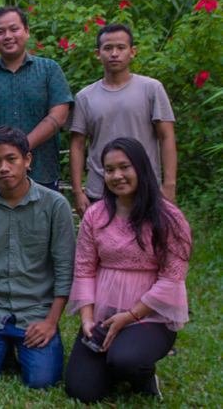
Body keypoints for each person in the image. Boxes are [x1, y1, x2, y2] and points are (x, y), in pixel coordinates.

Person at [65, 138, 191, 403]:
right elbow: (84, 269)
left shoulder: (169, 217)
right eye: (109, 170)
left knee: (127, 360)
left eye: (125, 167)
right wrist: (87, 320)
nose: (117, 176)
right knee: (82, 391)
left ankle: (143, 375)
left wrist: (130, 316)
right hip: (104, 315)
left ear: (141, 168)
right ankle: (112, 364)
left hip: (150, 317)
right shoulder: (95, 215)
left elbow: (172, 278)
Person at [0, 126, 75, 389]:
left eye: (12, 159)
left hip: (37, 312)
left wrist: (51, 322)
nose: (4, 168)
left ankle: (18, 346)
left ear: (28, 160)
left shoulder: (55, 205)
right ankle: (2, 346)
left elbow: (66, 269)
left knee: (42, 381)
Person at [68, 23, 177, 216]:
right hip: (100, 190)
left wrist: (169, 185)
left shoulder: (151, 89)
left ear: (132, 52)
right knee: (102, 244)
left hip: (145, 188)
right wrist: (78, 191)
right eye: (108, 48)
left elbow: (167, 137)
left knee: (148, 243)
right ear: (97, 53)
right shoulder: (85, 97)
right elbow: (77, 145)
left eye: (121, 47)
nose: (114, 54)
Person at [0, 6, 73, 191]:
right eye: (0, 32)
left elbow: (60, 114)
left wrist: (21, 150)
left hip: (42, 174)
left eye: (14, 29)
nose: (7, 36)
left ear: (26, 31)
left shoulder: (50, 69)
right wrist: (6, 155)